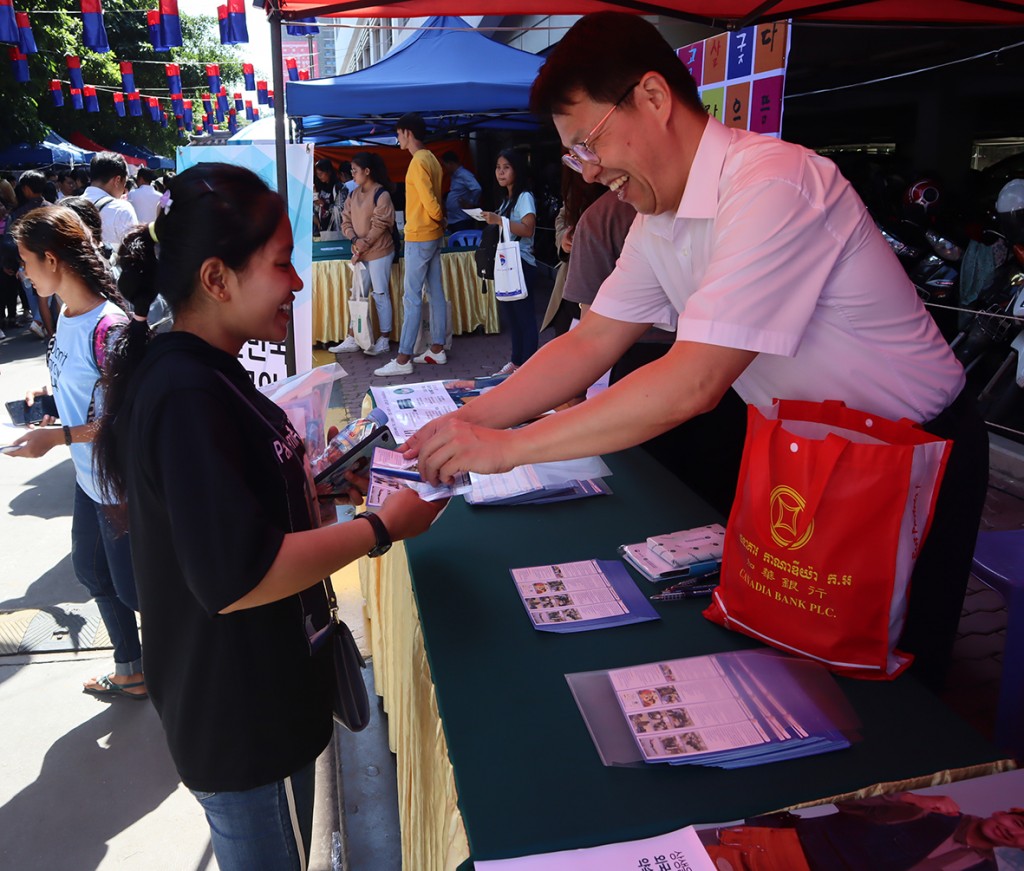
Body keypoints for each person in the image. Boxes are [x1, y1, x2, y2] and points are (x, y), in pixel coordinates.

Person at [405, 12, 989, 691]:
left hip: (911, 453)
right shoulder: (660, 221)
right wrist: (479, 419)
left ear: (653, 98)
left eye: (590, 143)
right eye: (574, 156)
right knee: (805, 658)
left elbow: (694, 381)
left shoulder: (773, 185)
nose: (590, 175)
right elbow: (592, 339)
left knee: (898, 689)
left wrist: (507, 449)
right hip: (808, 451)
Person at [90, 162, 442, 871]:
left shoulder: (206, 367)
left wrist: (320, 484)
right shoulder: (186, 392)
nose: (300, 283)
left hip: (261, 691)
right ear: (217, 278)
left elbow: (232, 507)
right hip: (242, 716)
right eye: (282, 264)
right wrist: (380, 528)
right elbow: (238, 574)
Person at [6, 205, 145, 700]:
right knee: (90, 570)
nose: (22, 272)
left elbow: (122, 420)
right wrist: (47, 406)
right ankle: (132, 670)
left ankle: (189, 673)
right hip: (90, 479)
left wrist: (58, 438)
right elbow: (83, 390)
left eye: (25, 261)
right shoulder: (64, 313)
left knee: (136, 591)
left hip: (117, 484)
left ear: (51, 258)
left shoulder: (110, 327)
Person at [374, 112, 447, 376]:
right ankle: (437, 349)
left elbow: (430, 201)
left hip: (420, 235)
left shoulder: (417, 161)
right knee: (436, 293)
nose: (397, 139)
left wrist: (437, 216)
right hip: (434, 234)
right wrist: (440, 220)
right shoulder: (432, 159)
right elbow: (435, 200)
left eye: (398, 133)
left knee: (412, 297)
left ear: (406, 132)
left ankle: (403, 358)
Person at [331, 151, 397, 358]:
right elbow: (345, 220)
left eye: (355, 171)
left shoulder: (381, 194)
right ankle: (354, 336)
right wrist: (354, 240)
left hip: (379, 252)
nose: (352, 174)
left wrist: (363, 244)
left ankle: (384, 338)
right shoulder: (353, 194)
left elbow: (381, 224)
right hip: (360, 252)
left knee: (379, 294)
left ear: (367, 171)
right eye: (352, 171)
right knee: (357, 295)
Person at [481, 148, 540, 375]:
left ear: (517, 170)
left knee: (524, 316)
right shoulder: (507, 199)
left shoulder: (524, 197)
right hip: (507, 263)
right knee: (512, 315)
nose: (501, 172)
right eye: (498, 167)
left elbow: (527, 229)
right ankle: (516, 362)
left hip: (521, 262)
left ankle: (528, 365)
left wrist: (499, 220)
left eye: (506, 167)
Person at [83, 152, 138, 249]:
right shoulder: (121, 209)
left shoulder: (69, 206)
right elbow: (134, 253)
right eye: (125, 182)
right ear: (117, 180)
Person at [441, 151, 482, 233]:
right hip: (453, 219)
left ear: (450, 164)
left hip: (462, 220)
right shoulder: (454, 176)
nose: (444, 169)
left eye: (444, 165)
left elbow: (477, 188)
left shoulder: (464, 174)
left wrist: (471, 203)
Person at [313, 158, 348, 234]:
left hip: (336, 230)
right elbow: (316, 207)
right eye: (317, 174)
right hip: (321, 229)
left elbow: (341, 210)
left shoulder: (340, 188)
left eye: (321, 174)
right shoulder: (319, 186)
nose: (319, 176)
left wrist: (324, 204)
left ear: (328, 172)